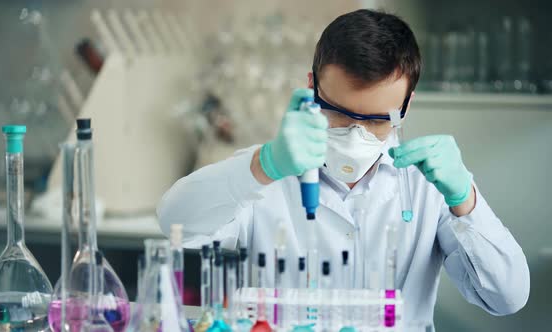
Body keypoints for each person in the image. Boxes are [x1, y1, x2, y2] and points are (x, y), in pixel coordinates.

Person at [157, 9, 529, 326]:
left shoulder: (429, 183)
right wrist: (264, 165)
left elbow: (507, 297)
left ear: (407, 105)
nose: (356, 134)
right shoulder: (267, 170)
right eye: (339, 113)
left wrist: (466, 200)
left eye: (377, 121)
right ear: (311, 87)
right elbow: (174, 223)